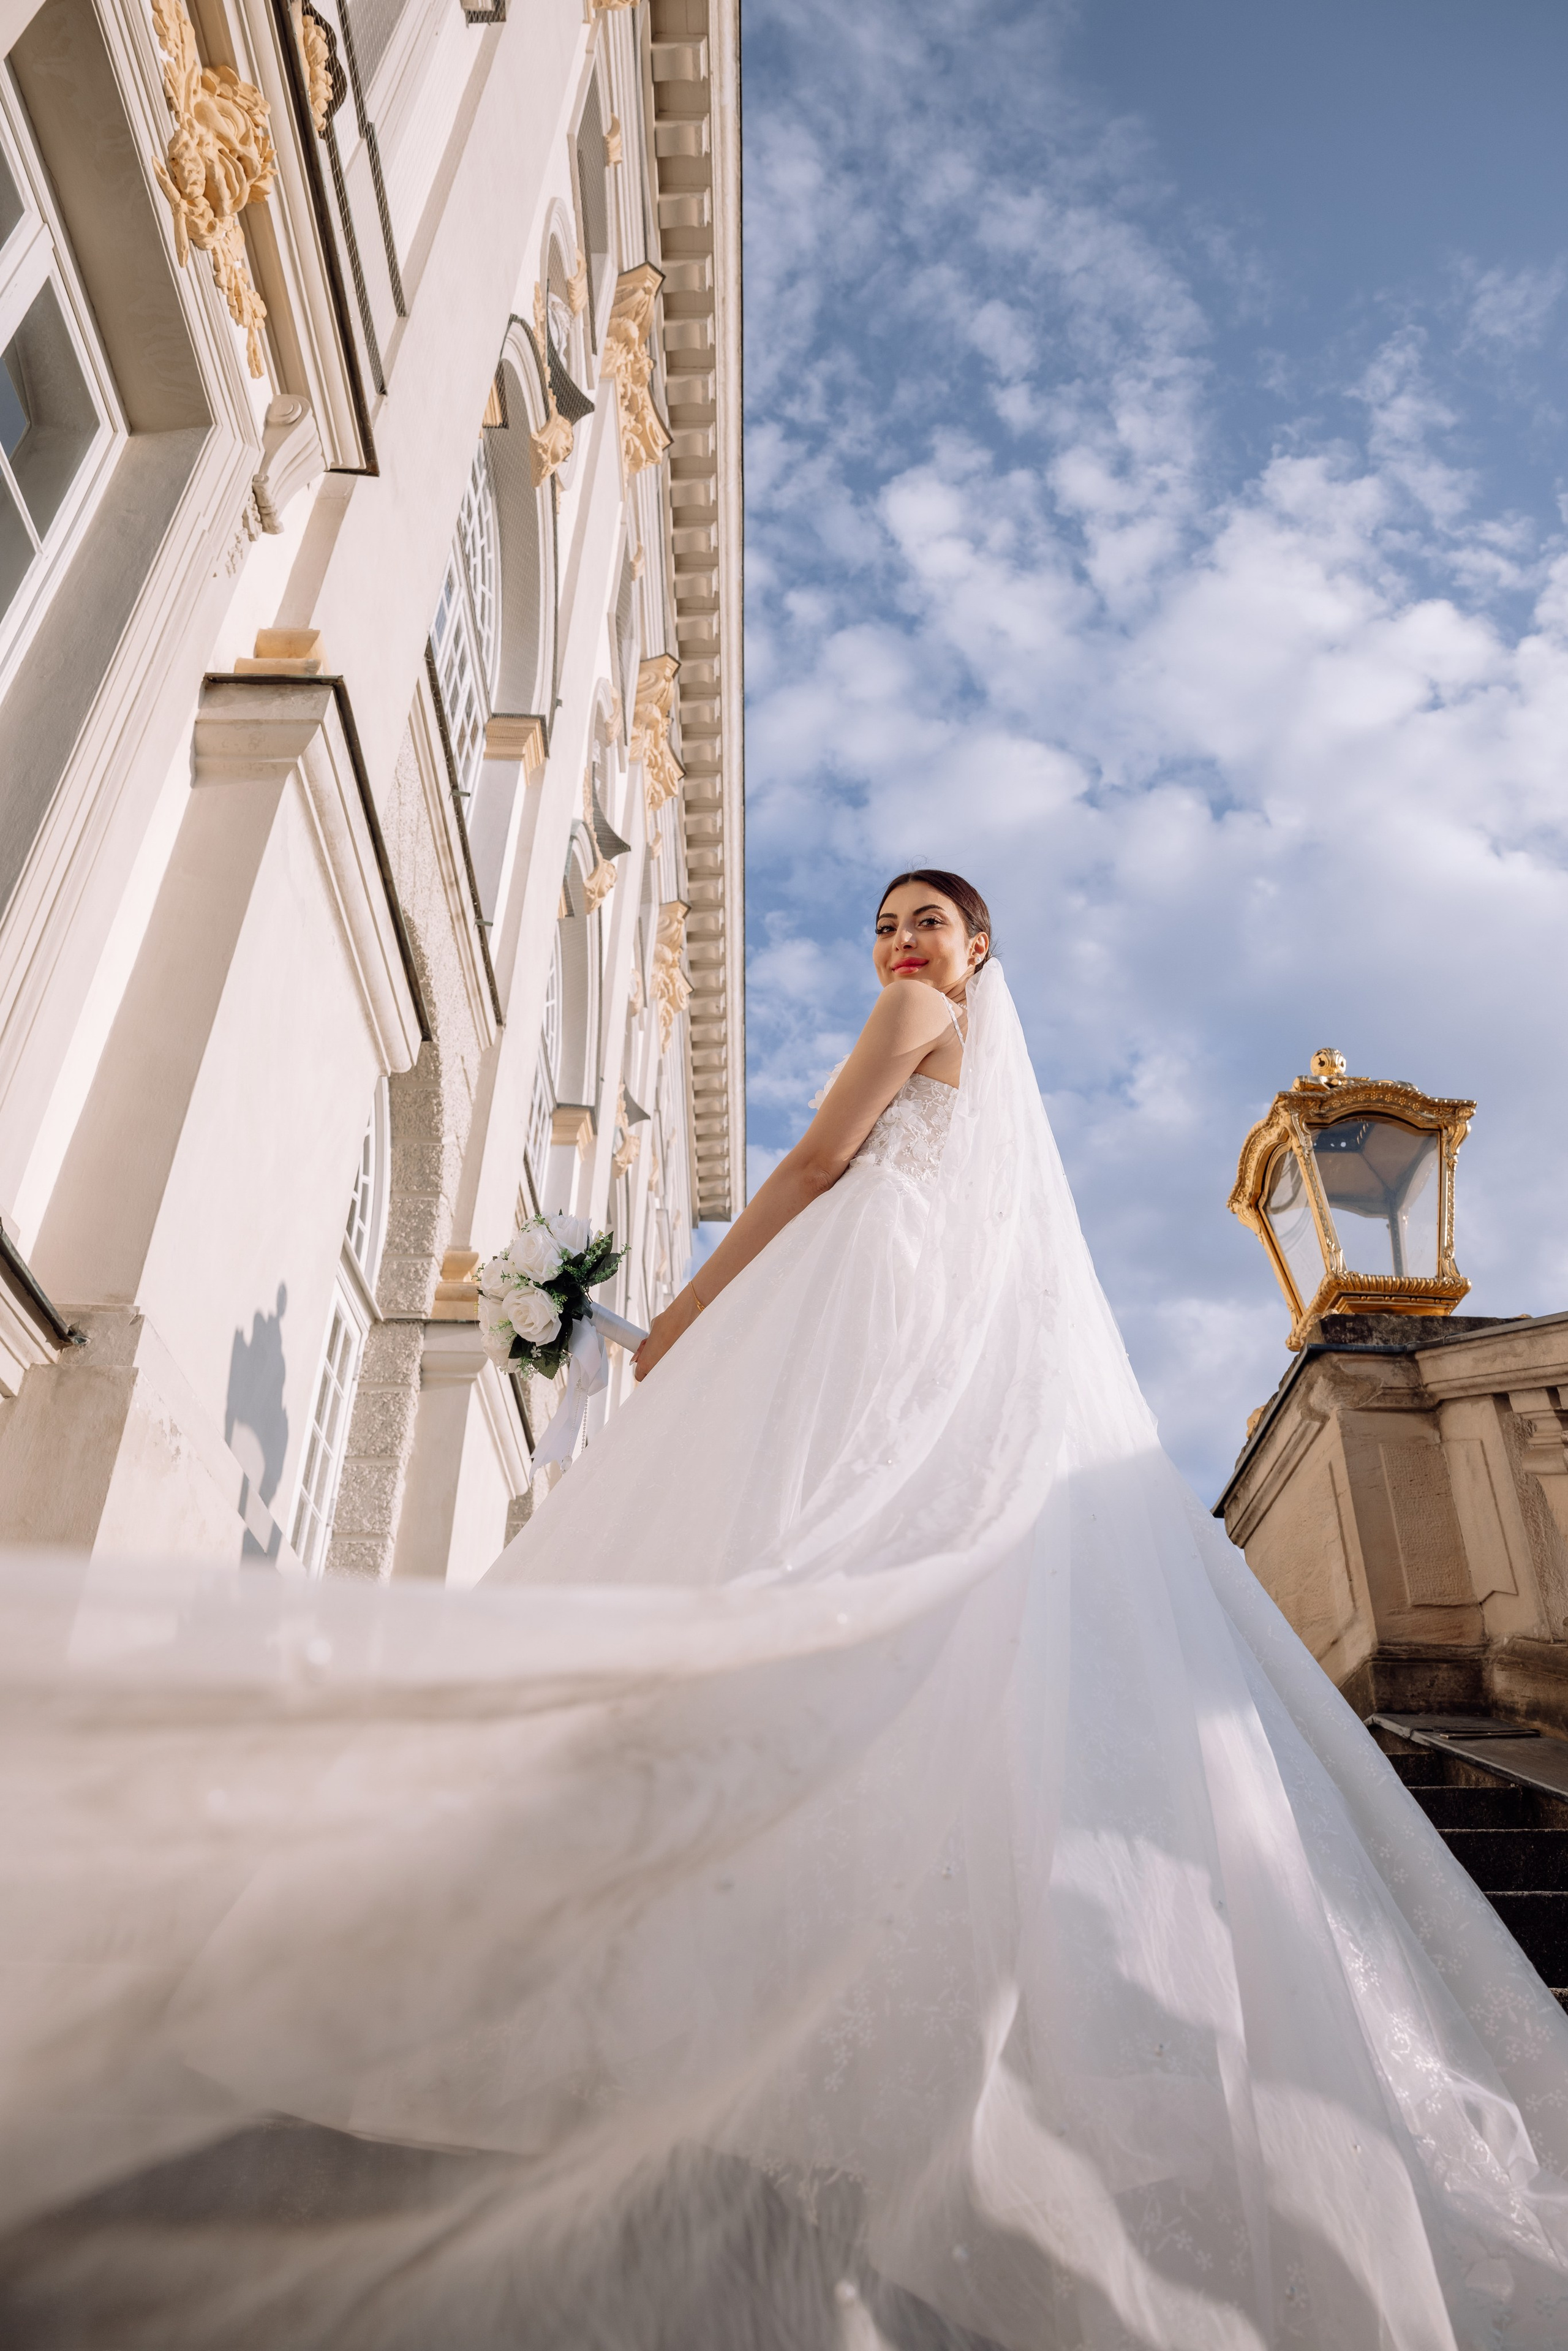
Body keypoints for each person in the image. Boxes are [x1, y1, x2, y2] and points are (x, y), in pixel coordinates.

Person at [3, 870, 1568, 2351]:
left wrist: (687, 1307)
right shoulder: (978, 1091)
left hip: (861, 1313)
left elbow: (816, 1161)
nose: (899, 941)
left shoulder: (915, 1029)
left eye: (931, 921)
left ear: (976, 957)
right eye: (885, 922)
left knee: (789, 1561)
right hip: (902, 1315)